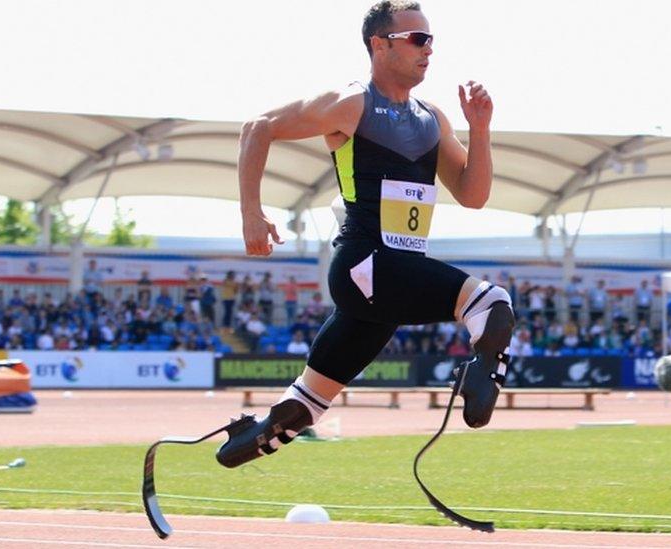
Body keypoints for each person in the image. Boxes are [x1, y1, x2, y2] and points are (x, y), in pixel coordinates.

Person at [217, 1, 514, 468]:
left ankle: (242, 441)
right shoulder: (352, 103)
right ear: (380, 45)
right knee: (492, 305)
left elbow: (473, 194)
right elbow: (258, 127)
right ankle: (484, 378)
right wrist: (251, 214)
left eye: (431, 40)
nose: (428, 50)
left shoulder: (431, 118)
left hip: (391, 278)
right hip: (367, 264)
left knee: (307, 405)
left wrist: (480, 129)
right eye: (418, 39)